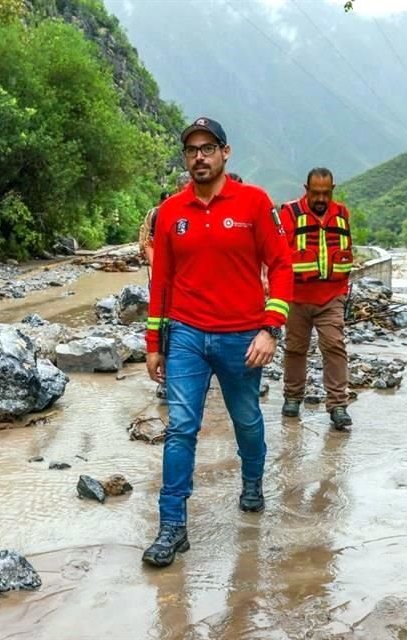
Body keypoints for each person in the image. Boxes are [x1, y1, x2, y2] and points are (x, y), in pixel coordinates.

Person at [142, 116, 293, 568]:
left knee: (245, 419)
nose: (199, 157)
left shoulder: (253, 203)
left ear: (226, 153)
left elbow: (282, 266)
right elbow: (162, 282)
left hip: (243, 335)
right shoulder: (171, 211)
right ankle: (172, 526)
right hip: (186, 334)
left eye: (208, 148)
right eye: (192, 150)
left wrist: (271, 327)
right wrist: (155, 342)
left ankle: (252, 481)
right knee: (180, 427)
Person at [278, 167, 354, 430]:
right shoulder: (288, 214)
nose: (320, 199)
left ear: (332, 190)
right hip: (296, 297)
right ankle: (292, 397)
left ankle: (338, 405)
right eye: (315, 193)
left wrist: (343, 291)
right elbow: (277, 256)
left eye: (325, 193)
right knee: (295, 348)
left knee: (334, 345)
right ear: (306, 190)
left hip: (331, 296)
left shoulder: (342, 214)